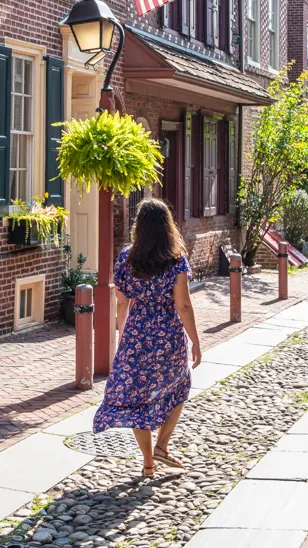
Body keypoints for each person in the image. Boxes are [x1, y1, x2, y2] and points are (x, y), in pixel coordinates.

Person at [93, 198, 203, 478]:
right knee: (180, 385)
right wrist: (196, 341)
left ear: (139, 227)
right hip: (167, 333)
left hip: (136, 333)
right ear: (167, 226)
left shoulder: (126, 257)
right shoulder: (176, 260)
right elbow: (184, 306)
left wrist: (123, 336)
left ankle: (148, 464)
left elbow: (121, 303)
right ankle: (162, 445)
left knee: (138, 399)